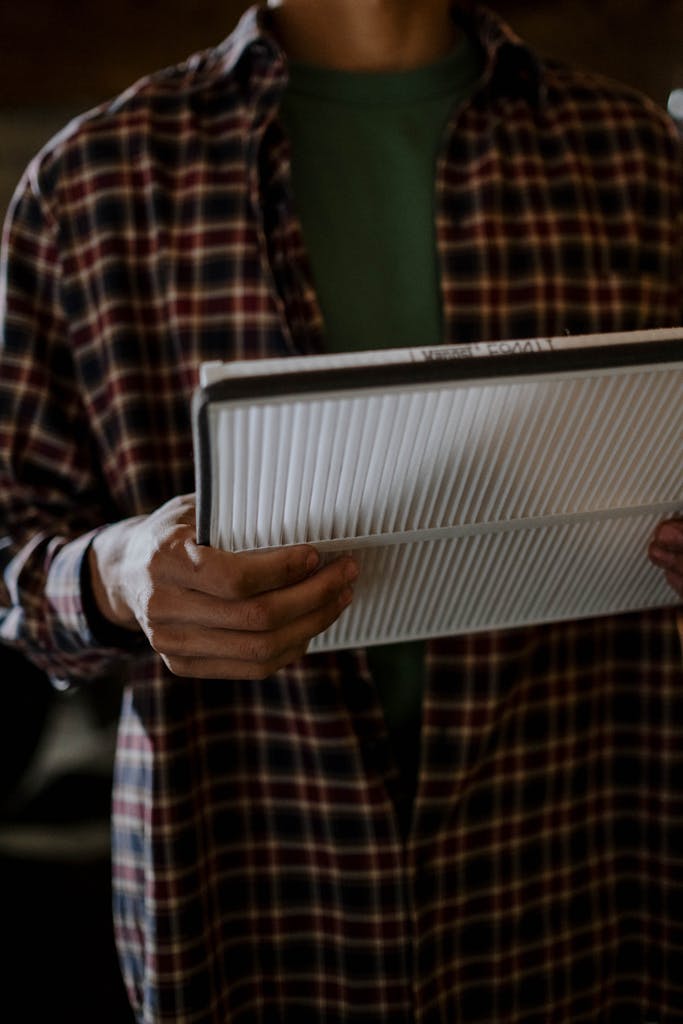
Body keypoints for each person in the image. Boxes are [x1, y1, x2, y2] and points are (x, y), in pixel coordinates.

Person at [0, 1, 682, 1021]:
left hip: (583, 882)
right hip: (249, 905)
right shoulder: (87, 182)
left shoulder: (641, 158)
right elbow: (13, 556)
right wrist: (117, 573)